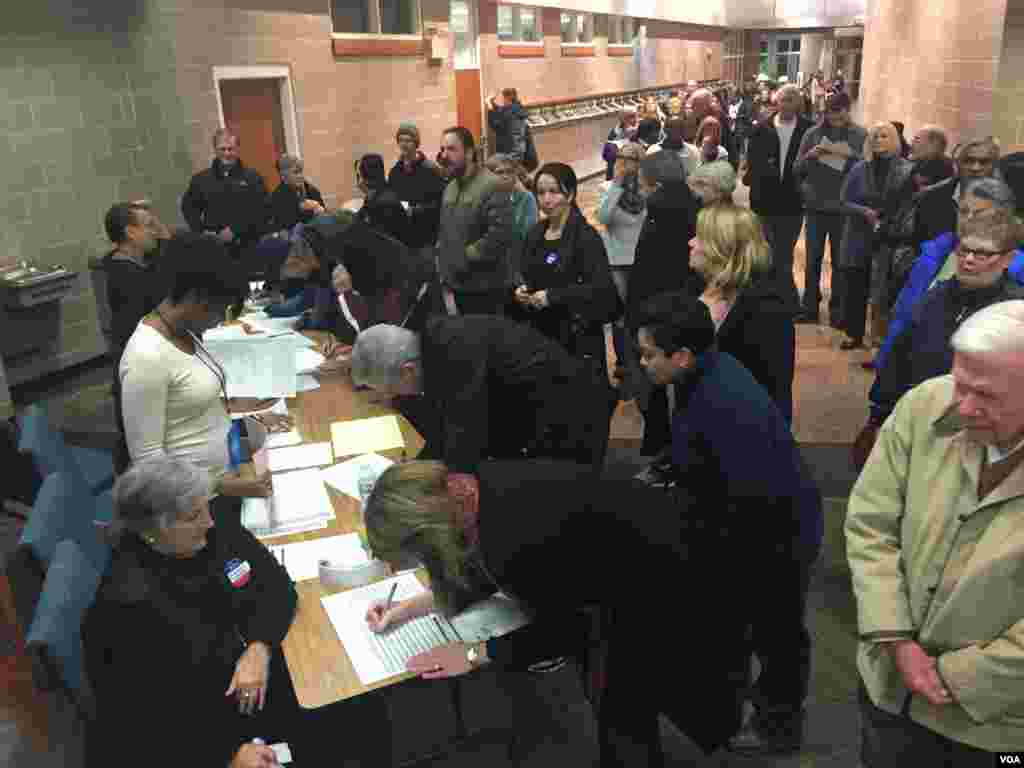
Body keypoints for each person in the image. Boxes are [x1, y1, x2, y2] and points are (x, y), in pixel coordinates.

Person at [362, 458, 745, 766]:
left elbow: (569, 627)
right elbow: (482, 569)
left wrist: (473, 653)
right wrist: (407, 607)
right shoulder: (469, 489)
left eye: (417, 555)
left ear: (429, 533)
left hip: (667, 587)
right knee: (618, 703)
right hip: (643, 557)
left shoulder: (515, 535)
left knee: (626, 707)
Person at [633, 296, 822, 756]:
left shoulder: (719, 402)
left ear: (681, 356)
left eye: (647, 354)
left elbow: (731, 497)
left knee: (775, 635)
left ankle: (777, 727)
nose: (640, 363)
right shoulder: (712, 371)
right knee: (755, 629)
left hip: (774, 536)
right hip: (761, 523)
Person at [846, 300, 1024, 764]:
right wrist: (896, 640)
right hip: (888, 692)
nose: (962, 407)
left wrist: (961, 678)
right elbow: (870, 523)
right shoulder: (924, 405)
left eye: (985, 395)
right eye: (959, 384)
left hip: (993, 729)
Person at [82, 458, 308, 767]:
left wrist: (259, 648)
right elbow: (141, 722)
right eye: (194, 516)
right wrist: (227, 755)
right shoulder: (125, 608)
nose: (209, 522)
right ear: (153, 530)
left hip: (255, 679)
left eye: (205, 508)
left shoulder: (211, 532)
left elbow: (278, 586)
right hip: (205, 731)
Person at [119, 233, 284, 529]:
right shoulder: (146, 357)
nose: (220, 320)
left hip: (223, 480)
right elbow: (149, 464)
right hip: (192, 508)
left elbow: (195, 402)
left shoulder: (185, 333)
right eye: (219, 310)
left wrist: (251, 414)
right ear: (196, 298)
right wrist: (224, 486)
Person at [854, 207, 1024, 467]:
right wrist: (878, 416)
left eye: (982, 253)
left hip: (984, 442)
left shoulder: (1015, 313)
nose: (968, 259)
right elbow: (899, 358)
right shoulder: (934, 298)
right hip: (922, 431)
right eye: (963, 250)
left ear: (1008, 258)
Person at [349, 317, 613, 473]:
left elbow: (465, 441)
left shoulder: (454, 355)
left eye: (392, 391)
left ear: (407, 372)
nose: (396, 398)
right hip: (535, 418)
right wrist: (414, 470)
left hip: (572, 420)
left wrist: (415, 477)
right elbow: (449, 432)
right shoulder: (431, 345)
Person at [514, 162, 620, 390]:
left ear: (570, 194)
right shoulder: (535, 233)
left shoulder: (585, 238)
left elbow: (602, 290)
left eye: (554, 192)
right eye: (541, 193)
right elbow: (528, 274)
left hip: (577, 338)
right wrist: (523, 289)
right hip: (543, 334)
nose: (546, 199)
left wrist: (553, 296)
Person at [688, 203, 798, 423]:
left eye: (699, 236)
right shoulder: (705, 289)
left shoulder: (766, 311)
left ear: (721, 247)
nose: (690, 242)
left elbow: (770, 390)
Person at [626, 150, 703, 458]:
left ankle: (662, 452)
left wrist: (634, 317)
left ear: (655, 185)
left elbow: (646, 270)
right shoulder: (694, 209)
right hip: (686, 307)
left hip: (657, 312)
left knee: (656, 389)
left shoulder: (658, 215)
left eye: (643, 184)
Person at [102, 201, 173, 474]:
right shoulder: (127, 275)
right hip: (138, 374)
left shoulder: (125, 265)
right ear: (130, 233)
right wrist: (165, 239)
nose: (154, 231)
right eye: (148, 226)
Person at [837, 122, 913, 350]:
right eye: (874, 136)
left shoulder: (905, 169)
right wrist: (864, 211)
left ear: (894, 140)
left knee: (882, 290)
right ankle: (853, 333)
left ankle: (879, 339)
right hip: (859, 235)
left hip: (888, 237)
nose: (878, 140)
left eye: (884, 135)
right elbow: (843, 200)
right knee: (855, 285)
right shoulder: (860, 168)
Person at [794, 91, 868, 326]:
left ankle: (838, 310)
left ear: (848, 111)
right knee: (812, 260)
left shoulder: (860, 135)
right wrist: (810, 156)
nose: (835, 120)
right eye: (831, 115)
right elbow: (797, 168)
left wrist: (850, 157)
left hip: (844, 208)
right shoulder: (813, 134)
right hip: (816, 205)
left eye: (840, 115)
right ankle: (809, 308)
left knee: (840, 262)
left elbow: (868, 169)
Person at [743, 84, 814, 298]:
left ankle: (783, 298)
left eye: (792, 100)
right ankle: (770, 296)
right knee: (765, 250)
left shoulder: (808, 130)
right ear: (777, 101)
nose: (787, 104)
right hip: (764, 199)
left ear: (799, 104)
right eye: (784, 99)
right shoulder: (761, 128)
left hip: (793, 200)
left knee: (784, 253)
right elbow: (752, 163)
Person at [436, 127, 514, 315]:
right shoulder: (450, 189)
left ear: (470, 153)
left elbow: (499, 235)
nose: (444, 155)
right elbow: (445, 231)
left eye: (451, 149)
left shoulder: (493, 185)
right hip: (458, 285)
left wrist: (464, 257)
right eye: (443, 149)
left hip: (486, 289)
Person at [182, 129, 269, 261]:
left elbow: (263, 210)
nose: (227, 154)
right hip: (213, 249)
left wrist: (236, 229)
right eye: (222, 149)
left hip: (249, 246)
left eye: (231, 149)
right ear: (215, 150)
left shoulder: (253, 178)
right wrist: (202, 232)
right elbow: (188, 208)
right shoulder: (201, 180)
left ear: (237, 149)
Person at [596, 143, 647, 365]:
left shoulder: (648, 189)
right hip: (616, 261)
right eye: (623, 159)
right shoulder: (607, 188)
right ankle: (623, 363)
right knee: (618, 316)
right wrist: (616, 184)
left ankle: (640, 357)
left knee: (639, 314)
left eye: (632, 160)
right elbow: (603, 217)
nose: (627, 164)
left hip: (642, 259)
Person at [917, 137, 1000, 245]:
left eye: (984, 162)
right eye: (968, 161)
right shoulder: (929, 198)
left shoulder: (1006, 201)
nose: (975, 168)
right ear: (957, 164)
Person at [388, 122, 448, 250]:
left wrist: (415, 210)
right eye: (401, 140)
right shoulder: (395, 172)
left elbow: (441, 202)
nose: (404, 144)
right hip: (402, 235)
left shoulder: (431, 169)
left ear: (416, 143)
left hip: (426, 235)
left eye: (408, 140)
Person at [483, 153, 537, 282]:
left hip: (517, 272)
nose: (505, 176)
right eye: (499, 172)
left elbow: (528, 235)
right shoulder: (482, 200)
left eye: (510, 172)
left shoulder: (525, 199)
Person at [354, 153, 411, 246]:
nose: (358, 181)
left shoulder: (383, 202)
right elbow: (358, 218)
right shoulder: (376, 195)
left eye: (359, 175)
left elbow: (379, 241)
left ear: (366, 178)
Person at [266, 154, 325, 233]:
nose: (301, 176)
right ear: (283, 176)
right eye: (295, 173)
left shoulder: (312, 190)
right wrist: (310, 210)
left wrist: (319, 209)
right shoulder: (277, 197)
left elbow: (324, 215)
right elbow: (286, 225)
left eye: (301, 171)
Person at [486, 88, 528, 165]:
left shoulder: (509, 113)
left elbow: (495, 125)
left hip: (509, 153)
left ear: (507, 99)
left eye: (503, 99)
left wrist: (489, 105)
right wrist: (492, 102)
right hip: (519, 151)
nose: (502, 101)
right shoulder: (517, 108)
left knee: (489, 165)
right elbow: (501, 111)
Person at [603, 106, 638, 180]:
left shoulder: (635, 130)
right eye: (632, 117)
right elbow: (607, 155)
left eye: (635, 116)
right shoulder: (614, 135)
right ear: (624, 119)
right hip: (617, 173)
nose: (636, 120)